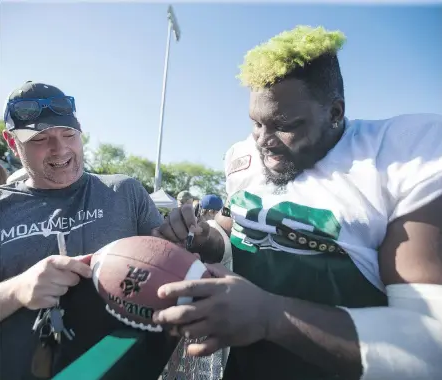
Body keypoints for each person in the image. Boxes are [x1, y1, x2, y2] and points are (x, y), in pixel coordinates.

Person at [153, 26, 442, 380]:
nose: (263, 140)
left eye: (284, 124)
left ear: (335, 112)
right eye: (256, 122)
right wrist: (204, 236)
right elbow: (239, 227)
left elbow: (430, 346)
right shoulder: (242, 157)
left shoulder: (400, 157)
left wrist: (270, 316)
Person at [0, 81, 169, 380]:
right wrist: (17, 290)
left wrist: (189, 241)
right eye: (40, 139)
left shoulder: (124, 192)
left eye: (68, 134)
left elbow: (168, 268)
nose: (60, 148)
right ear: (12, 143)